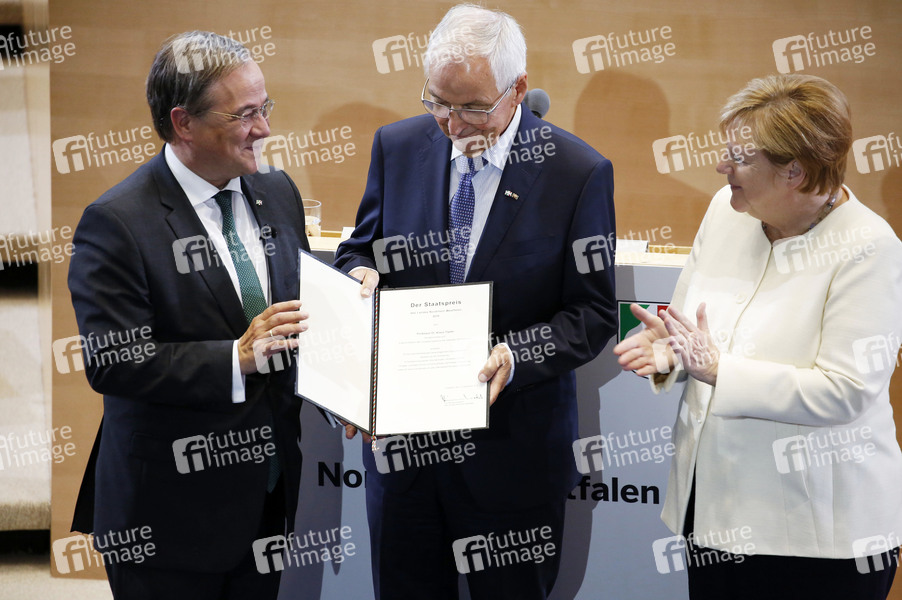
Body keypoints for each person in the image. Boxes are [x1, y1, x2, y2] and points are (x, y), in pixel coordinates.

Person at [333, 4, 617, 599]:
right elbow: (358, 250)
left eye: (472, 108)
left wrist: (516, 355)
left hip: (511, 463)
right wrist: (359, 276)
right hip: (404, 460)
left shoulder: (576, 171)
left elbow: (591, 314)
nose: (452, 125)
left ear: (518, 89)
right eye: (437, 102)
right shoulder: (398, 145)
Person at [614, 73, 902, 599]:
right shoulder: (727, 211)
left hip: (816, 537)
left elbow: (845, 389)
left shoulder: (869, 247)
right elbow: (693, 331)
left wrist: (718, 370)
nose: (722, 167)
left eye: (739, 158)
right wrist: (668, 350)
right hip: (713, 512)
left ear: (795, 171)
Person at [67, 31, 310, 599]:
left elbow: (297, 318)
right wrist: (235, 358)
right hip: (166, 520)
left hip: (270, 502)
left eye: (265, 107)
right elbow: (114, 361)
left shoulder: (277, 191)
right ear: (184, 124)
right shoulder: (117, 221)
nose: (264, 129)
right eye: (245, 114)